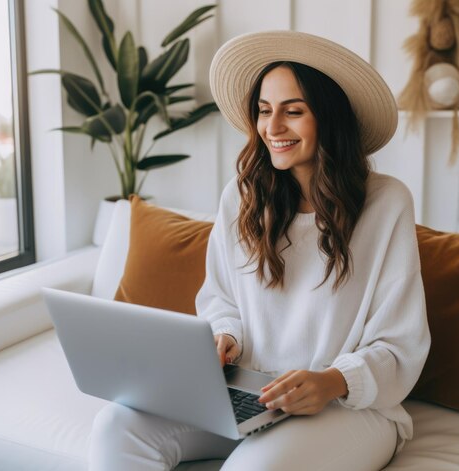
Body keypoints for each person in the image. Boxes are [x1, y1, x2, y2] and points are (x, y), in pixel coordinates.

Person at [89, 30, 430, 471]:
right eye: (265, 111)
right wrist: (224, 337)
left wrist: (332, 381)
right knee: (116, 427)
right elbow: (221, 300)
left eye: (294, 111)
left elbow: (399, 342)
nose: (273, 127)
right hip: (247, 393)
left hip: (347, 407)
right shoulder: (242, 196)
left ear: (328, 118)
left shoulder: (386, 203)